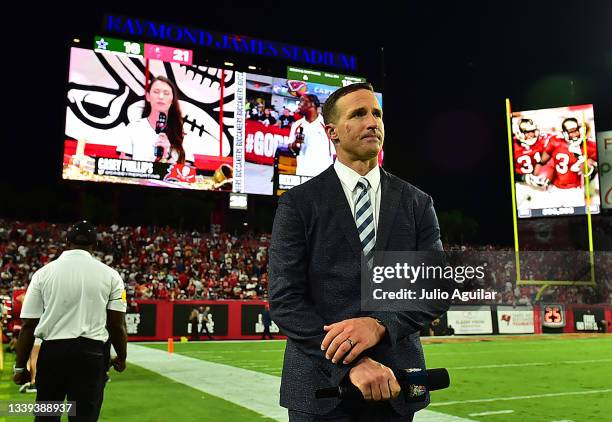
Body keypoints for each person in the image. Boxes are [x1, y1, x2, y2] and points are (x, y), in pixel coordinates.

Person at [269, 82, 447, 421]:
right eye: (359, 114)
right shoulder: (299, 203)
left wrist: (379, 324)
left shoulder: (417, 202)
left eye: (377, 113)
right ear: (332, 132)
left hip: (397, 384)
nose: (372, 122)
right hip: (320, 387)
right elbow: (285, 299)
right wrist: (353, 363)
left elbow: (432, 290)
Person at [13, 221, 128, 421]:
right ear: (96, 245)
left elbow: (28, 325)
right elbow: (116, 325)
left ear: (66, 242)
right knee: (84, 417)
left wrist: (20, 367)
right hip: (91, 355)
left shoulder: (43, 274)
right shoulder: (111, 276)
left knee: (47, 416)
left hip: (53, 354)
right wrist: (121, 356)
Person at [117, 75, 194, 165]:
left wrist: (168, 155)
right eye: (156, 92)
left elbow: (186, 174)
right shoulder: (133, 128)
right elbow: (123, 167)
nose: (161, 96)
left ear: (172, 99)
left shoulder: (182, 133)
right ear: (148, 96)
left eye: (166, 93)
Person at [287, 93, 335, 177]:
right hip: (303, 173)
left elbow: (336, 151)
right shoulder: (297, 125)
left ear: (312, 104)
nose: (299, 104)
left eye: (302, 101)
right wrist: (296, 143)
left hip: (323, 176)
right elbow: (291, 148)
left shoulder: (327, 124)